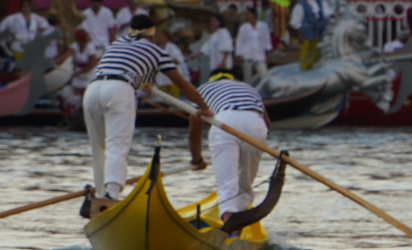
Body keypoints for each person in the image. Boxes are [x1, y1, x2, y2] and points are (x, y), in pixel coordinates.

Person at [81, 13, 207, 202]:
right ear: (152, 33)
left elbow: (127, 68)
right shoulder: (157, 50)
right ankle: (112, 194)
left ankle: (102, 194)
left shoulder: (117, 44)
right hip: (118, 90)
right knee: (117, 145)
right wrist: (204, 108)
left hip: (92, 90)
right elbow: (184, 85)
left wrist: (145, 82)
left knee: (98, 147)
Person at [187, 71, 271, 226]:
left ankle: (230, 225)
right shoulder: (249, 88)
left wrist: (196, 159)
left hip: (225, 121)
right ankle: (238, 228)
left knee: (227, 185)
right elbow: (267, 122)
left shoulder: (203, 89)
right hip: (256, 125)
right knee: (244, 186)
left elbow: (194, 132)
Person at [234, 7, 271, 85]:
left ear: (253, 15)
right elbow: (240, 41)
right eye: (246, 14)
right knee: (248, 79)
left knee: (264, 75)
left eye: (248, 14)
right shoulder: (243, 28)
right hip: (247, 55)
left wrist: (268, 52)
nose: (246, 16)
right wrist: (239, 54)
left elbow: (267, 39)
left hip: (259, 55)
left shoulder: (263, 26)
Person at [200, 12, 236, 77]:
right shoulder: (214, 35)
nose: (212, 23)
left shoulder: (224, 33)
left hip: (223, 67)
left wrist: (224, 62)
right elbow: (205, 49)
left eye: (214, 21)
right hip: (215, 67)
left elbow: (227, 49)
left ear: (219, 22)